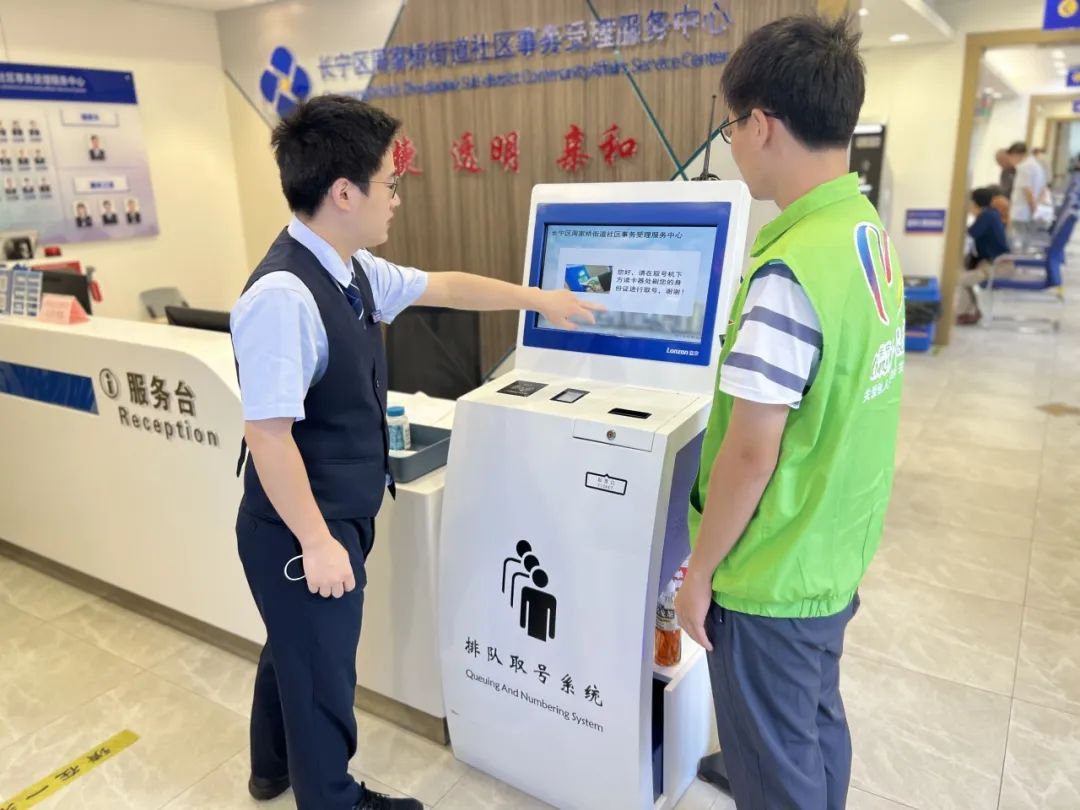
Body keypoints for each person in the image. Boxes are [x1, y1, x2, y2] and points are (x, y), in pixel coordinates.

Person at [230, 94, 602, 810]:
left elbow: (447, 286)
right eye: (390, 182)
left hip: (331, 509)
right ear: (344, 193)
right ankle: (333, 799)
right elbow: (268, 436)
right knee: (323, 677)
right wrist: (317, 541)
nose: (397, 198)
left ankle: (270, 769)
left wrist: (539, 299)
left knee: (294, 650)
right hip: (300, 524)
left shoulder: (351, 269)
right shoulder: (284, 295)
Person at [674, 16, 904, 810]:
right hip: (831, 547)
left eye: (731, 127)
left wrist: (699, 575)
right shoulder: (863, 233)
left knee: (773, 765)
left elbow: (749, 454)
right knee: (811, 718)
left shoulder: (788, 270)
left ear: (762, 125)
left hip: (770, 571)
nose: (733, 144)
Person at [957, 187, 1012, 325]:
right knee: (964, 276)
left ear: (974, 203)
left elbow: (970, 234)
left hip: (998, 266)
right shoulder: (990, 214)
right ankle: (970, 312)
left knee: (960, 279)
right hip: (994, 263)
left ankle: (967, 313)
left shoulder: (987, 216)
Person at [1006, 141, 1047, 251]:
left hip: (1021, 212)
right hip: (1027, 211)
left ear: (1017, 155)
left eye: (1011, 158)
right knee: (1025, 241)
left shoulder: (1024, 167)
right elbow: (1043, 190)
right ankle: (1022, 258)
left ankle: (1019, 260)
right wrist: (1036, 207)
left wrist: (1034, 209)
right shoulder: (1035, 165)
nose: (1011, 161)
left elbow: (1027, 190)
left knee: (1018, 242)